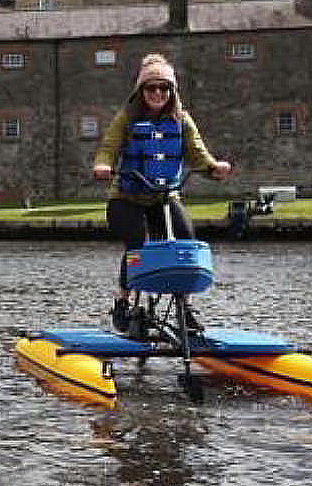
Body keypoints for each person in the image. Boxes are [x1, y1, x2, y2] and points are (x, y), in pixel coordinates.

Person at [91, 53, 231, 331]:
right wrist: (103, 165)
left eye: (164, 88)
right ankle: (123, 300)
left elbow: (197, 152)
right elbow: (109, 146)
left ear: (172, 91)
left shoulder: (182, 120)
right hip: (127, 199)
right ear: (141, 91)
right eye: (151, 88)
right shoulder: (127, 118)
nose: (158, 93)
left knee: (186, 240)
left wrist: (213, 167)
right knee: (137, 243)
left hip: (164, 198)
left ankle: (184, 307)